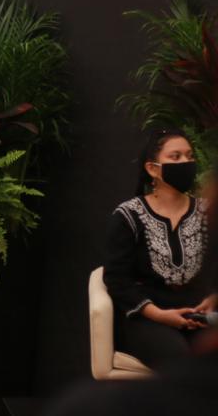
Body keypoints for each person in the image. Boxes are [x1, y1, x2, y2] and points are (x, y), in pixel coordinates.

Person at [102, 128, 217, 369]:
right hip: (148, 319)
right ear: (152, 168)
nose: (185, 162)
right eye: (175, 157)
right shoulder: (128, 216)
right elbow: (117, 280)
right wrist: (159, 315)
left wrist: (212, 299)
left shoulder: (208, 212)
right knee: (182, 362)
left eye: (189, 156)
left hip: (200, 318)